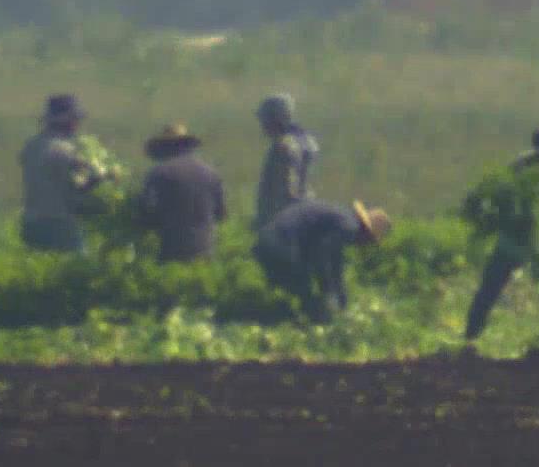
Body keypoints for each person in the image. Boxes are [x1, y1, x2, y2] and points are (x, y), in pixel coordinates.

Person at [465, 128, 539, 339]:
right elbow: (504, 196)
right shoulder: (519, 167)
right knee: (488, 290)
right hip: (512, 241)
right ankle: (470, 337)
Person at [252, 199, 391, 323]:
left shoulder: (343, 220)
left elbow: (335, 262)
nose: (365, 246)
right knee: (304, 298)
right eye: (370, 241)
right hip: (281, 245)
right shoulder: (349, 228)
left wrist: (341, 297)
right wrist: (327, 290)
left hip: (267, 240)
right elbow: (321, 255)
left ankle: (262, 315)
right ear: (366, 233)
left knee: (290, 292)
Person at [19, 94, 102, 253]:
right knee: (76, 269)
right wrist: (98, 178)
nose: (77, 125)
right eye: (75, 120)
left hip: (31, 221)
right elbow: (79, 186)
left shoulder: (31, 146)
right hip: (59, 222)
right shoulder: (66, 150)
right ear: (66, 121)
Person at [136, 123, 227, 263]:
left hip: (171, 252)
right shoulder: (211, 173)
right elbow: (221, 214)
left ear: (165, 147)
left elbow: (146, 215)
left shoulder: (158, 174)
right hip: (205, 251)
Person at [254, 94, 319, 230]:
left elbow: (286, 190)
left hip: (284, 219)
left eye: (265, 120)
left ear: (275, 119)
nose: (262, 125)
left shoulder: (283, 146)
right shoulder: (308, 141)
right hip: (307, 208)